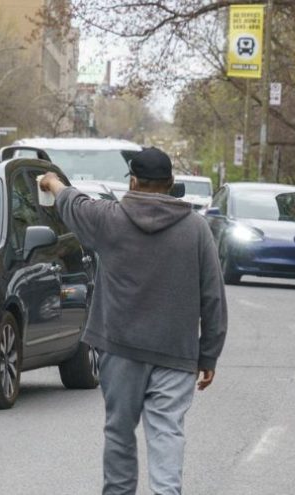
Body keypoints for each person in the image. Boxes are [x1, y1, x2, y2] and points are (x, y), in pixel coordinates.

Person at [39, 147, 228, 495]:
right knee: (168, 431)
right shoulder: (196, 230)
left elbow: (73, 202)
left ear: (134, 181)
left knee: (119, 431)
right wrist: (209, 354)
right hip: (176, 353)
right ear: (171, 183)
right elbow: (213, 296)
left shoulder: (110, 219)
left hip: (120, 350)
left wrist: (52, 183)